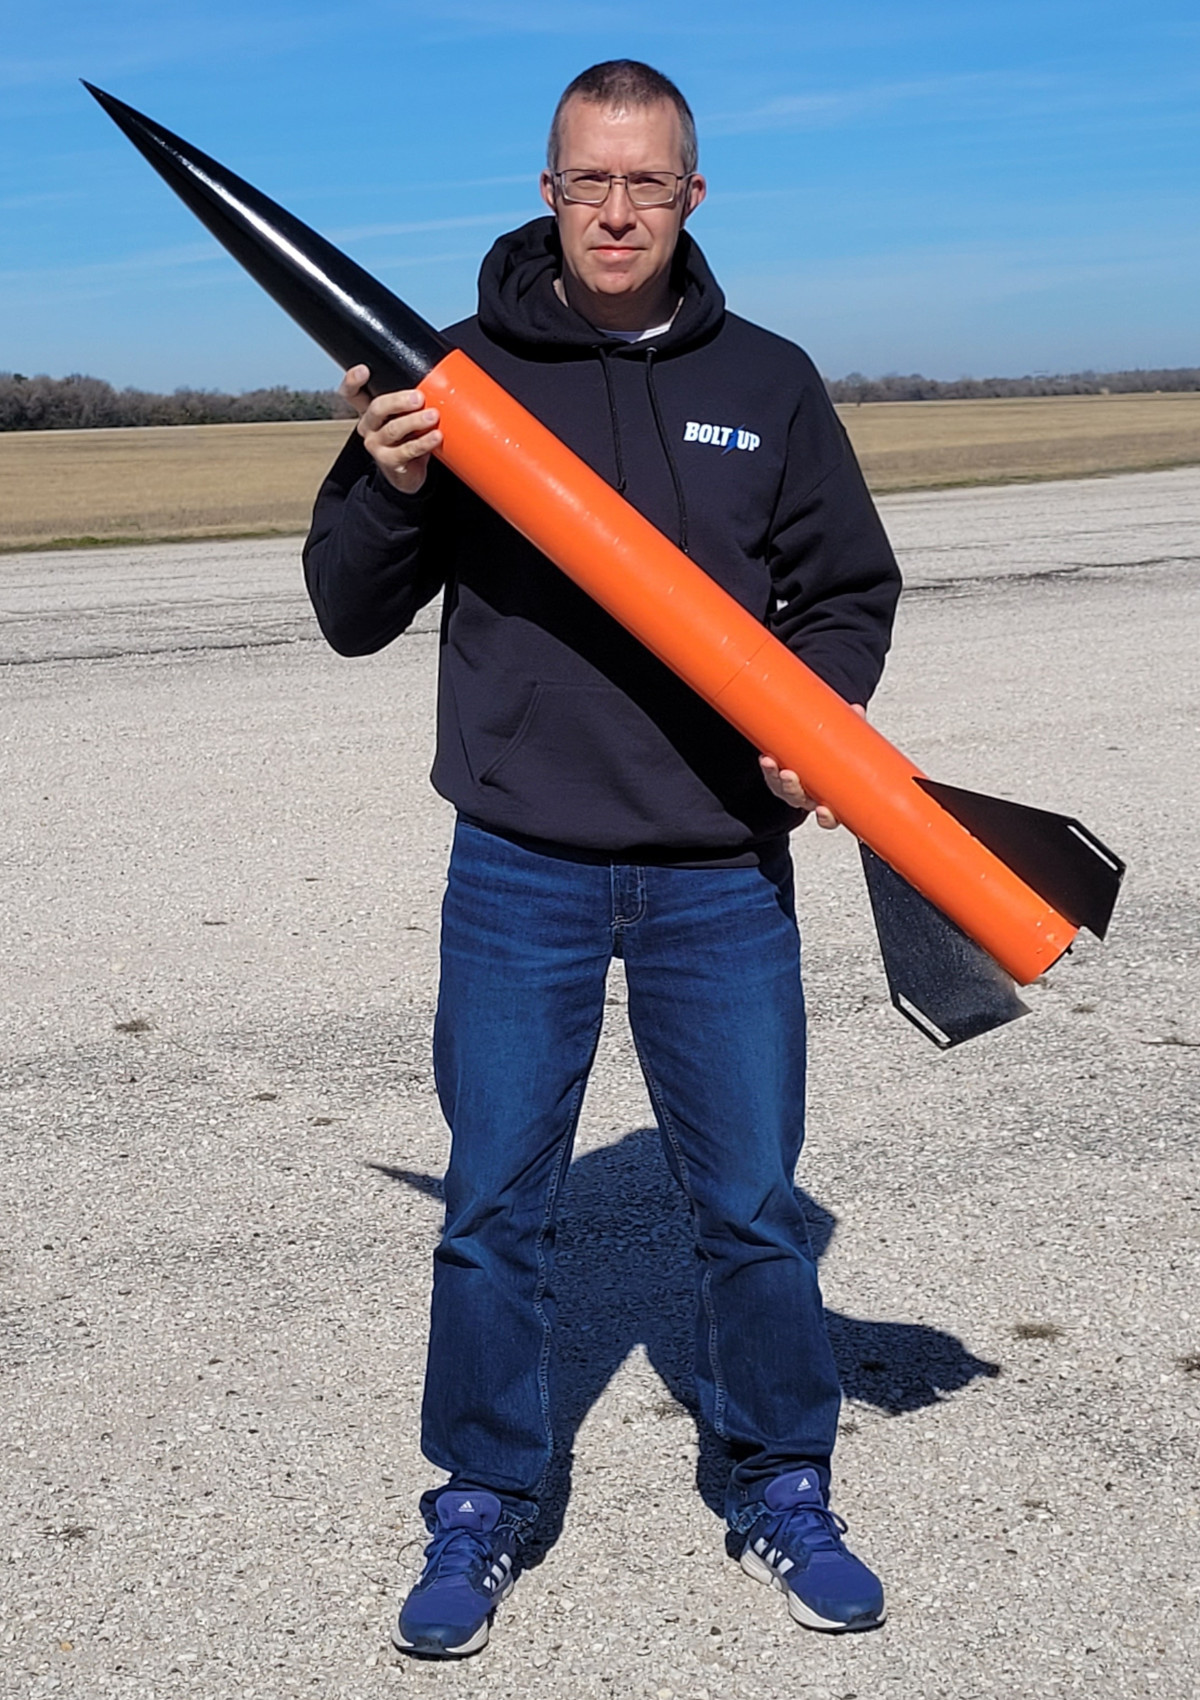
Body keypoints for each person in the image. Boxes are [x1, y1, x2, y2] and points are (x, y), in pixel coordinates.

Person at [303, 59, 901, 1658]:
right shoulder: (451, 379)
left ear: (693, 196)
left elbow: (847, 589)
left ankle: (780, 1482)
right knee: (496, 1206)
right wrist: (391, 480)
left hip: (721, 876)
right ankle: (482, 1497)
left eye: (647, 183)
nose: (617, 212)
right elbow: (347, 611)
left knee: (754, 1206)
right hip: (522, 870)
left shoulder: (769, 380)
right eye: (589, 181)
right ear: (548, 190)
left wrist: (821, 711)